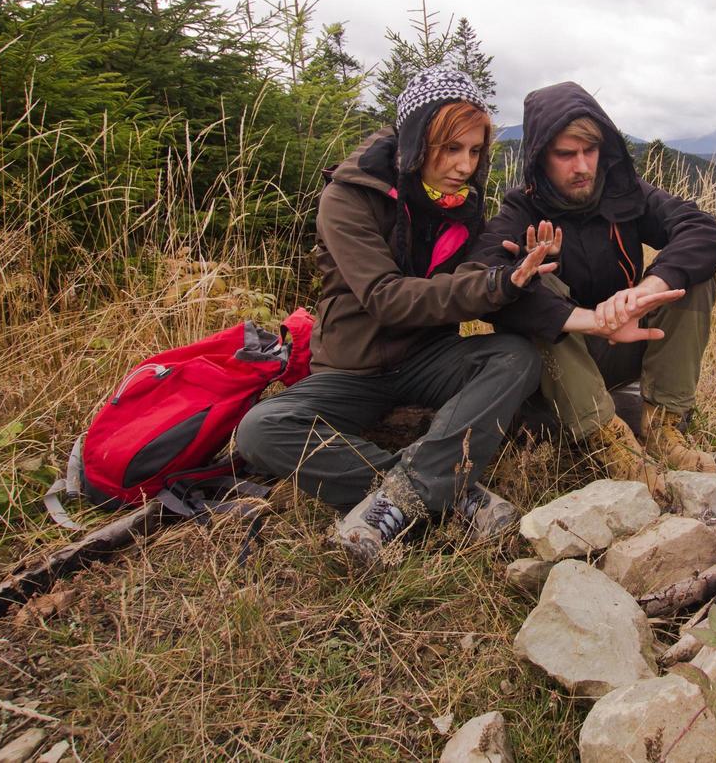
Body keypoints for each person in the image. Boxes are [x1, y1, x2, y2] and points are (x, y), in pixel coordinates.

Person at [234, 68, 556, 565]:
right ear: (416, 137)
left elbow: (469, 278)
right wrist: (493, 284)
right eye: (450, 148)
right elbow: (384, 296)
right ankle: (450, 491)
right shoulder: (347, 196)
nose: (464, 165)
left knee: (513, 357)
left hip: (429, 356)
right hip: (352, 368)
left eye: (474, 151)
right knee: (261, 429)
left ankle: (408, 495)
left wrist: (510, 272)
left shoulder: (462, 204)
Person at [472, 81, 716, 494]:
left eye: (589, 151)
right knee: (535, 284)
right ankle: (608, 440)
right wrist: (530, 272)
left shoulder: (624, 194)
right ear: (540, 157)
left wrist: (646, 289)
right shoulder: (520, 210)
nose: (583, 167)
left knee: (693, 276)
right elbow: (481, 276)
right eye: (566, 154)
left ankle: (663, 427)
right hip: (559, 367)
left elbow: (704, 231)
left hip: (625, 342)